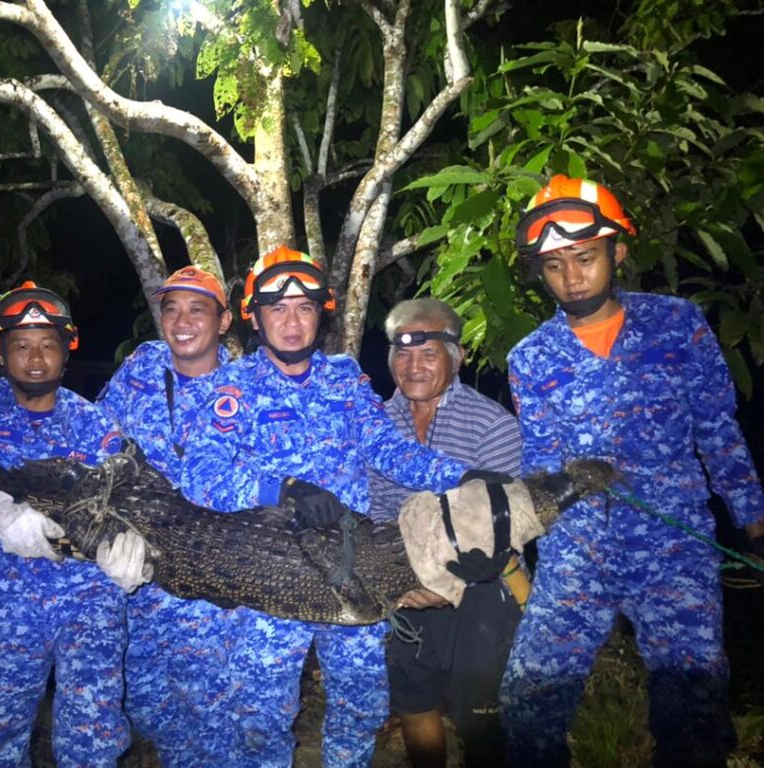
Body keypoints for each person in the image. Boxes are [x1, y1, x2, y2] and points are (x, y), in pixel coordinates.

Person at [500, 175, 764, 768]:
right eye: (554, 265)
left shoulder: (677, 326)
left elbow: (718, 431)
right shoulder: (530, 358)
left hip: (674, 549)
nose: (571, 277)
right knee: (528, 701)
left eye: (585, 258)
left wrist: (754, 523)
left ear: (617, 252)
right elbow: (539, 464)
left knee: (693, 709)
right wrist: (511, 530)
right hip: (577, 554)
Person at [180, 246, 470, 767]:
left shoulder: (344, 377)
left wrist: (466, 477)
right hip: (271, 573)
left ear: (322, 314)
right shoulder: (231, 388)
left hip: (350, 570)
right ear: (254, 317)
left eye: (305, 308)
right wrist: (281, 488)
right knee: (261, 713)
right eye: (278, 309)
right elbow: (200, 477)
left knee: (360, 705)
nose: (292, 323)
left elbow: (390, 450)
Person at [0, 281, 150, 768]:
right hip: (10, 607)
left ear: (66, 352)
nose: (36, 358)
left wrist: (132, 553)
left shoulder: (92, 423)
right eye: (21, 345)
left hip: (90, 604)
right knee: (0, 735)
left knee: (93, 737)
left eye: (48, 345)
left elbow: (130, 495)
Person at [367, 298, 524, 768]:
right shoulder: (374, 424)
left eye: (428, 353)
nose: (413, 366)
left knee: (481, 723)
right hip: (400, 588)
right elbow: (373, 513)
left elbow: (497, 525)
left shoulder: (492, 425)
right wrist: (398, 580)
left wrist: (439, 582)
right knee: (414, 704)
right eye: (402, 352)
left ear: (457, 357)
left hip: (478, 587)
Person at [99, 264, 239, 764]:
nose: (182, 321)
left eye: (197, 309)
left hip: (207, 587)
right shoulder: (142, 366)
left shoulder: (244, 387)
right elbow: (98, 434)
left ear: (223, 321)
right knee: (146, 704)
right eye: (171, 309)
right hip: (138, 578)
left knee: (211, 711)